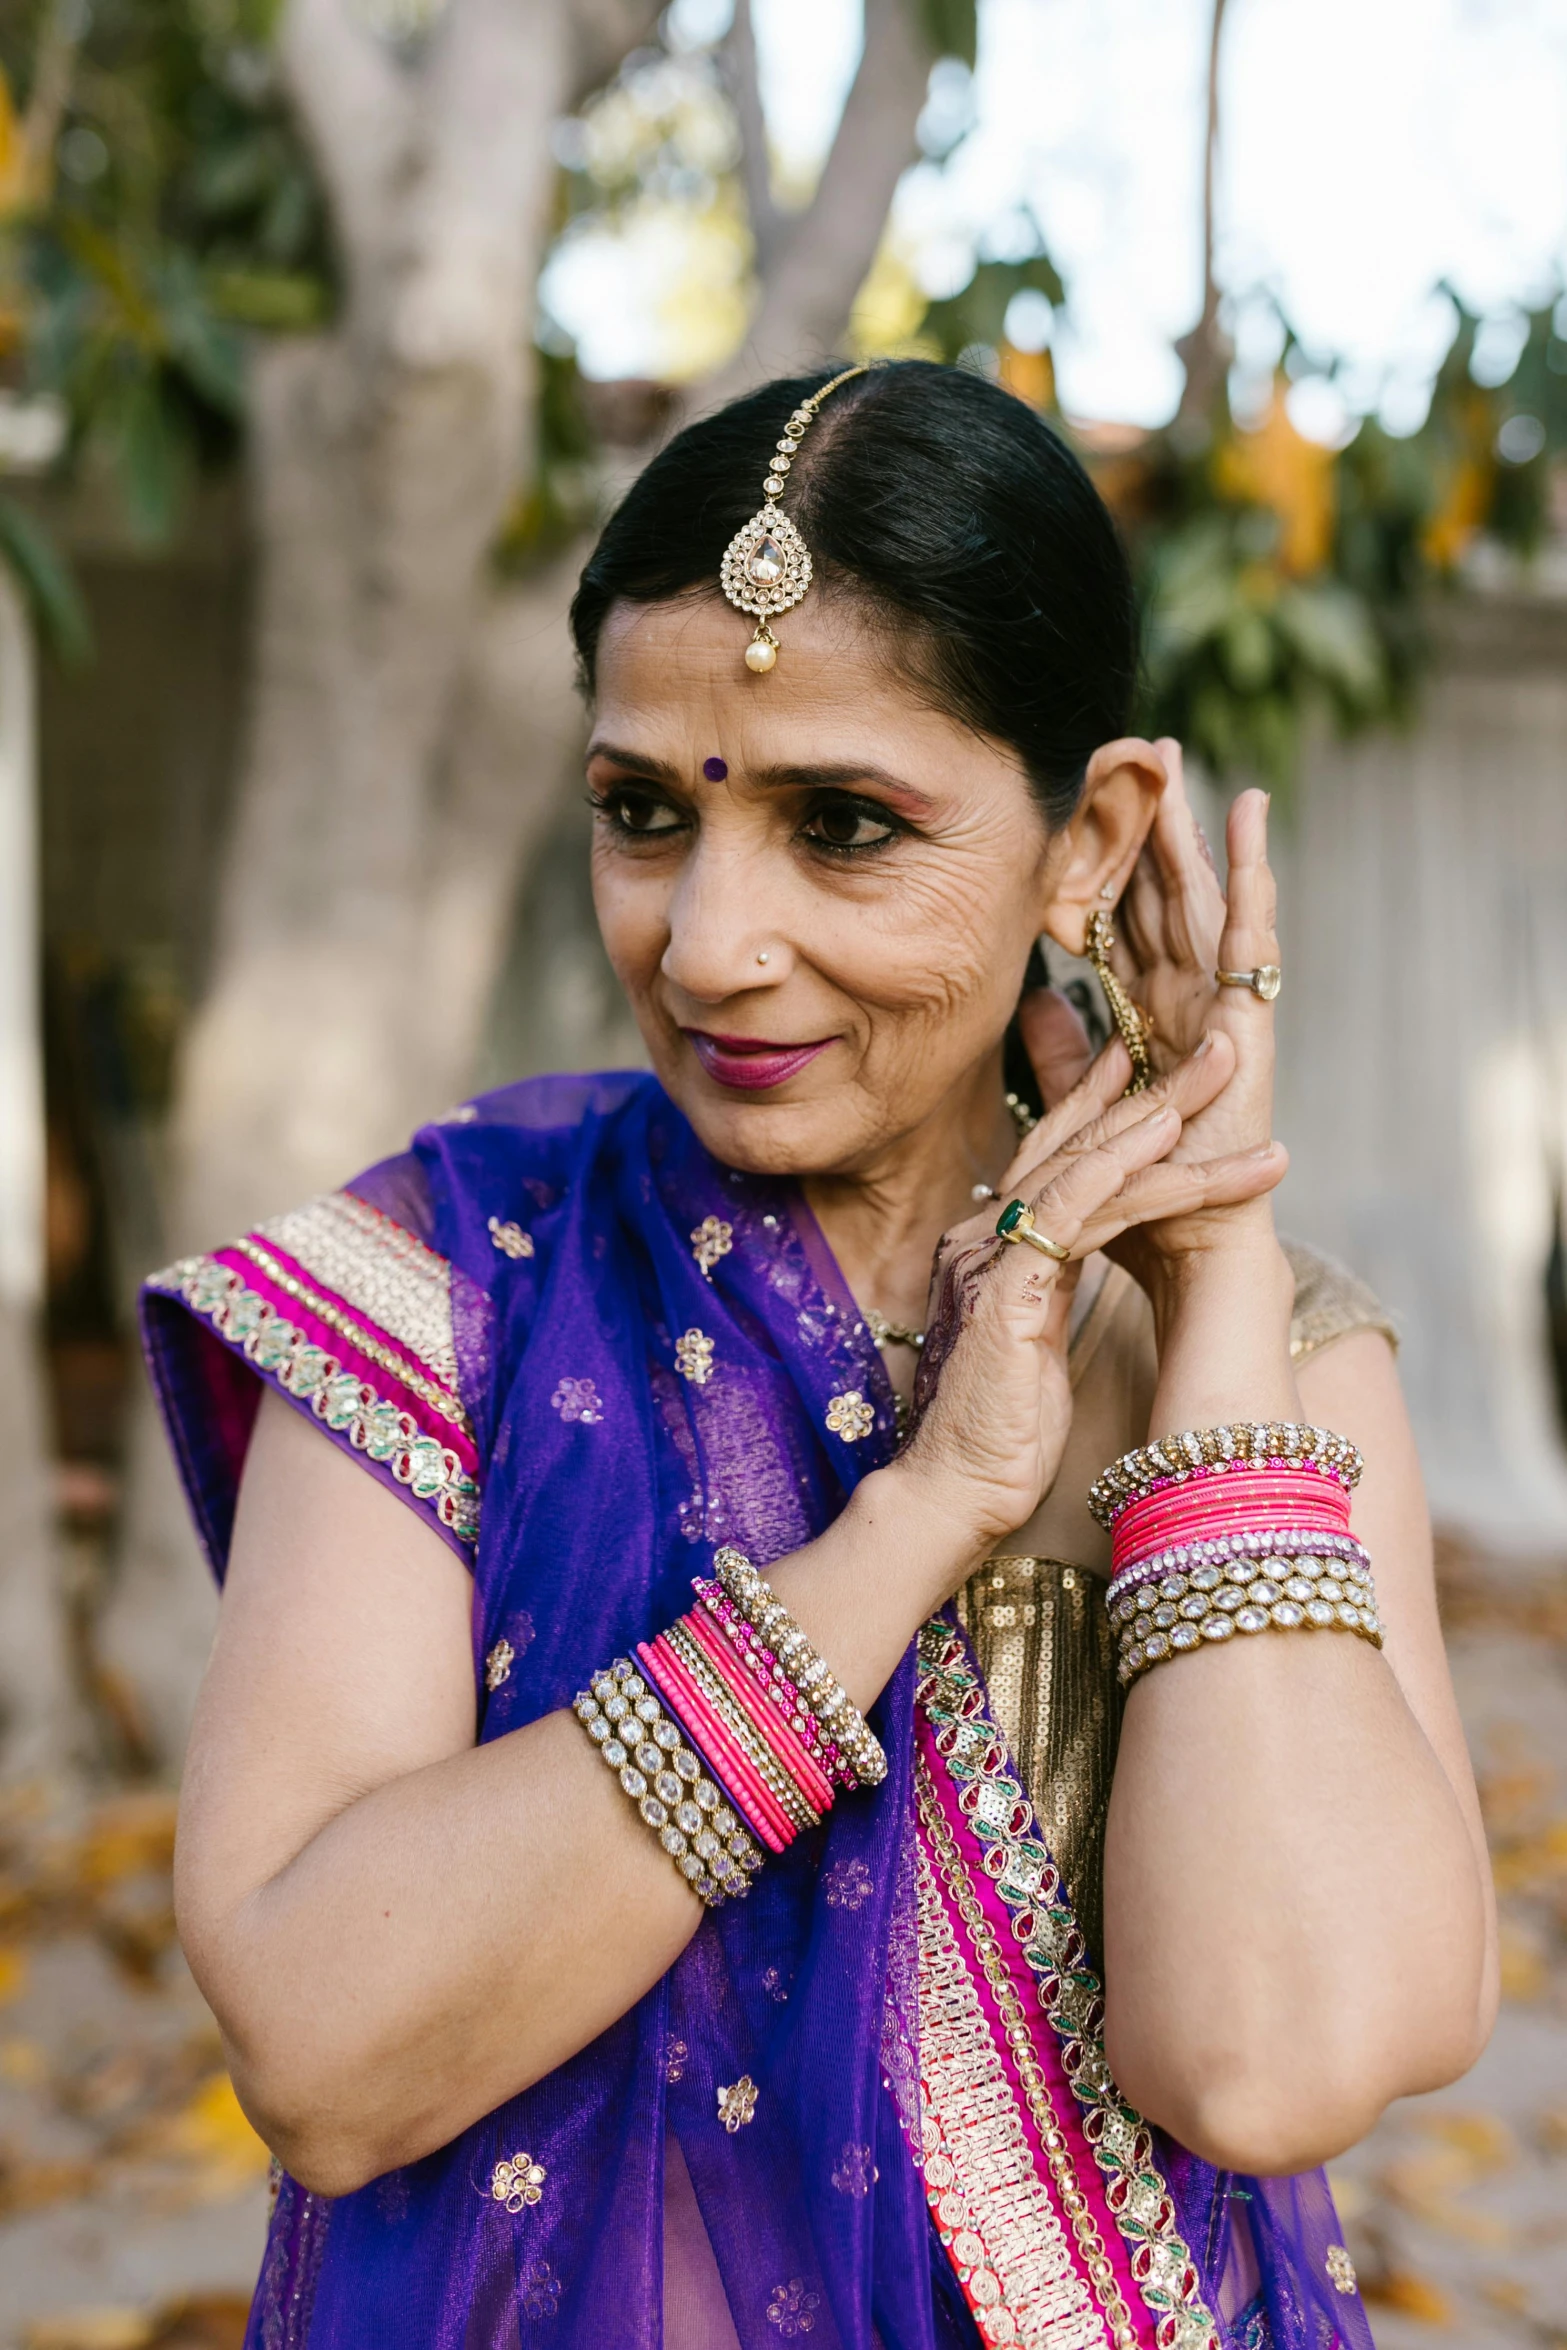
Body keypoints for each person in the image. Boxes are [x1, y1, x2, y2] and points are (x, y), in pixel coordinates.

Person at [142, 361, 1496, 2350]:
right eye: (639, 811)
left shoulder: (1268, 1349)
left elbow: (1272, 2064)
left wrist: (1204, 1288)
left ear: (1093, 836)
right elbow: (327, 2053)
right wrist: (924, 1512)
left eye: (842, 821)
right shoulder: (447, 1288)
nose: (706, 939)